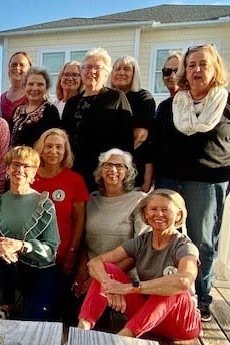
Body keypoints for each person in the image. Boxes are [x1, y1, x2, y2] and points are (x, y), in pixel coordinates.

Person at [152, 44, 230, 321]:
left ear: (215, 69)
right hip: (168, 181)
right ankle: (166, 291)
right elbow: (155, 145)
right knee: (164, 239)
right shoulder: (169, 106)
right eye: (191, 65)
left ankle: (202, 297)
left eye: (203, 64)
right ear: (184, 71)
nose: (197, 70)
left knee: (202, 242)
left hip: (208, 183)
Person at [77, 189, 201, 341]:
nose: (159, 214)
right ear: (145, 214)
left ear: (179, 215)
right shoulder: (141, 242)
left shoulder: (184, 246)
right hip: (146, 318)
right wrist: (109, 284)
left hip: (181, 325)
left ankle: (120, 340)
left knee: (172, 286)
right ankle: (82, 330)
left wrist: (131, 287)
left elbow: (184, 281)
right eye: (153, 209)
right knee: (107, 269)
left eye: (165, 210)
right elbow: (94, 263)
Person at [0, 146, 59, 320]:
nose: (20, 170)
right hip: (9, 269)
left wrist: (22, 246)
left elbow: (51, 251)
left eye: (26, 166)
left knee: (34, 321)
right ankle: (7, 302)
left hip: (40, 271)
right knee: (3, 252)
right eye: (15, 164)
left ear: (34, 172)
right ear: (7, 169)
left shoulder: (44, 204)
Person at [73, 149, 148, 298]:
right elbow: (82, 241)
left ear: (127, 172)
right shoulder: (90, 200)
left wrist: (101, 280)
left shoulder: (139, 200)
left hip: (125, 281)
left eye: (120, 166)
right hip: (90, 277)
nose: (113, 170)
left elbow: (141, 249)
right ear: (100, 171)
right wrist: (82, 272)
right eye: (107, 165)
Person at [32, 128, 89, 321]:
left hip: (63, 256)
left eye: (59, 147)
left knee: (62, 311)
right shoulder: (30, 177)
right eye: (49, 146)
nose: (53, 151)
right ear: (41, 149)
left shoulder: (75, 180)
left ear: (65, 151)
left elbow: (80, 219)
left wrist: (72, 252)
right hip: (35, 254)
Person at [61, 47, 133, 191]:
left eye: (97, 67)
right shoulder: (72, 102)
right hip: (74, 170)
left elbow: (126, 140)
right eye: (87, 67)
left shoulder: (116, 97)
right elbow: (64, 137)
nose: (91, 71)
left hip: (104, 173)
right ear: (81, 72)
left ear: (106, 73)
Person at [108, 56, 156, 191]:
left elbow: (140, 136)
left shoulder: (143, 98)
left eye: (126, 69)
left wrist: (117, 160)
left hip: (134, 166)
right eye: (117, 69)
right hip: (108, 168)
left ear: (134, 74)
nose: (121, 73)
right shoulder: (107, 98)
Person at [10, 67, 60, 148]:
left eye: (40, 84)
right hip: (15, 158)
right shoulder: (18, 110)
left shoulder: (50, 110)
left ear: (46, 87)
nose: (35, 88)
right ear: (24, 86)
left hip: (37, 159)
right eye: (31, 84)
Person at [0, 52, 32, 127]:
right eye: (14, 65)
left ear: (29, 70)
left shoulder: (32, 96)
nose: (17, 68)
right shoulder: (2, 97)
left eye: (21, 65)